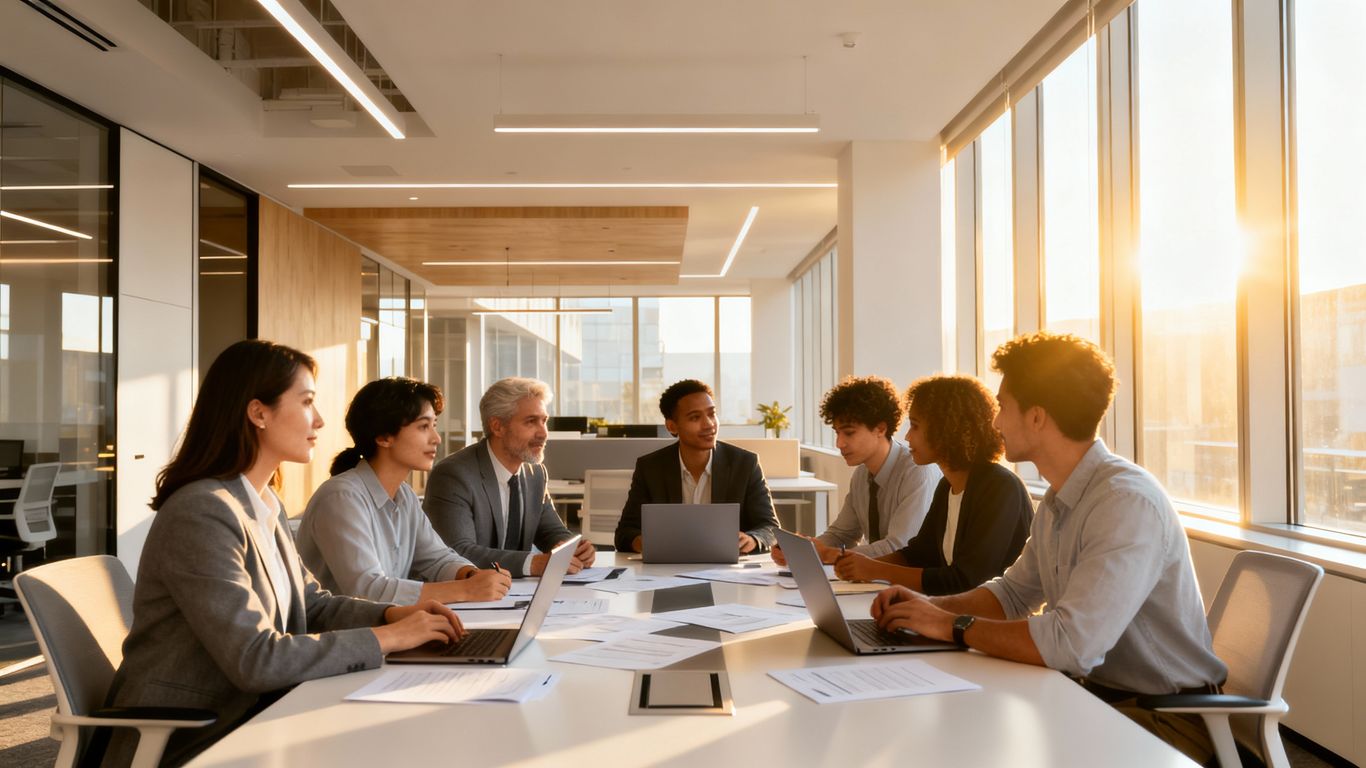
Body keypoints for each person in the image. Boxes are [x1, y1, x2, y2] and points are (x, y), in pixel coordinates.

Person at [103, 340, 464, 767]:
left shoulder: (262, 502)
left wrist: (389, 616)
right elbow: (255, 659)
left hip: (260, 712)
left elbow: (313, 604)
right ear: (259, 413)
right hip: (196, 735)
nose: (320, 419)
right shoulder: (203, 511)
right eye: (307, 401)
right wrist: (389, 638)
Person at [870, 332, 1226, 763]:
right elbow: (1014, 594)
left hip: (1164, 719)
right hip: (1096, 697)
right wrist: (928, 608)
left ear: (1037, 417)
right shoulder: (1061, 497)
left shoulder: (1124, 503)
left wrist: (951, 625)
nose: (995, 423)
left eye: (1003, 407)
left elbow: (1071, 644)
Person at [296, 377, 511, 604]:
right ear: (383, 437)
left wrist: (471, 575)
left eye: (434, 426)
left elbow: (435, 558)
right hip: (343, 635)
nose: (436, 438)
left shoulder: (404, 495)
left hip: (390, 627)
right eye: (423, 427)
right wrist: (466, 590)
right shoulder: (341, 497)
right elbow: (367, 590)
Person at [831, 374, 1032, 595]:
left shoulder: (999, 488)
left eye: (915, 426)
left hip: (986, 623)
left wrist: (874, 569)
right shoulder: (947, 486)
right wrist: (860, 565)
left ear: (946, 428)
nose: (907, 436)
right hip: (951, 612)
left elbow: (965, 579)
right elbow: (919, 554)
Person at [423, 377, 595, 577]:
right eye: (531, 422)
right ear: (497, 427)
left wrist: (573, 548)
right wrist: (533, 563)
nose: (543, 433)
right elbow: (457, 551)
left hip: (515, 595)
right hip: (466, 599)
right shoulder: (454, 474)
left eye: (544, 421)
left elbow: (551, 532)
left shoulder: (535, 473)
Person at [771, 375, 940, 567]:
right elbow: (841, 534)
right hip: (876, 580)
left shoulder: (918, 472)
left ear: (880, 429)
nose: (839, 443)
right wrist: (802, 550)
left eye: (849, 433)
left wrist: (828, 554)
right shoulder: (862, 474)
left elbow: (898, 547)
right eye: (837, 432)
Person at [614, 379, 781, 554]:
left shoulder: (745, 464)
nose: (709, 424)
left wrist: (753, 539)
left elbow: (769, 527)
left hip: (727, 570)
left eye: (711, 414)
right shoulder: (650, 467)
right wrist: (645, 543)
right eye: (695, 417)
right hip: (666, 570)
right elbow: (624, 533)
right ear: (672, 426)